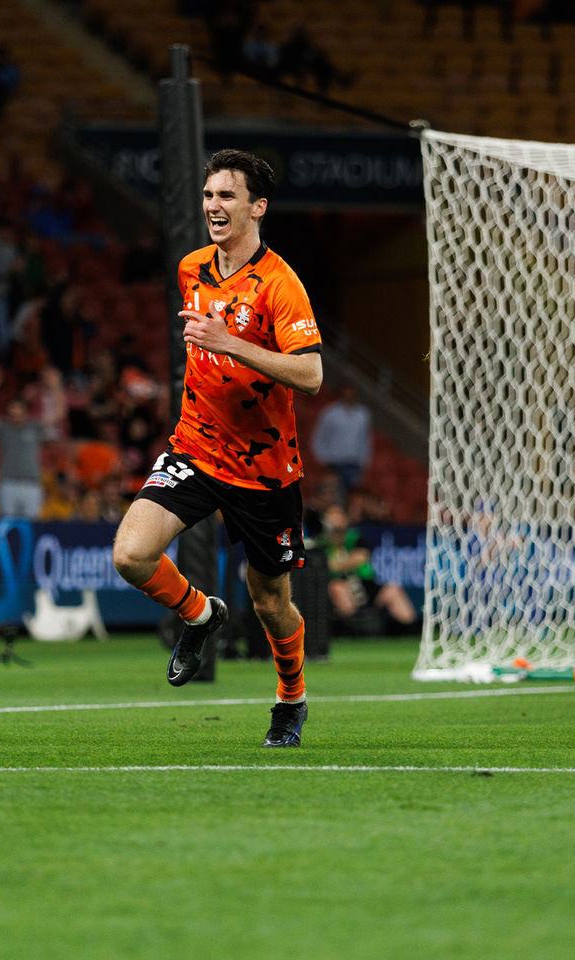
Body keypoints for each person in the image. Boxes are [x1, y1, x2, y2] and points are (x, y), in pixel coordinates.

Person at [111, 149, 324, 748]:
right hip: (196, 449)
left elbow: (310, 376)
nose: (213, 206)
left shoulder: (281, 285)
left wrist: (232, 344)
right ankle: (201, 614)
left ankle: (290, 700)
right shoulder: (191, 268)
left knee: (271, 602)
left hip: (264, 471)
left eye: (227, 196)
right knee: (130, 555)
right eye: (208, 195)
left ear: (258, 207)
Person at [0, 365, 65, 519]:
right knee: (8, 523)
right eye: (12, 414)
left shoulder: (34, 427)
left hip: (31, 484)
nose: (15, 418)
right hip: (8, 483)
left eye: (19, 414)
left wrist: (56, 387)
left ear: (25, 414)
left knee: (31, 525)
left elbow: (59, 413)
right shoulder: (4, 428)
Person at [318, 501, 417, 634]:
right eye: (333, 522)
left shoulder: (356, 538)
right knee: (337, 587)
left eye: (339, 521)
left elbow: (361, 557)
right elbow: (325, 567)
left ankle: (410, 631)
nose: (337, 526)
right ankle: (354, 629)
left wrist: (337, 564)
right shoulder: (320, 544)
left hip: (366, 586)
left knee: (393, 589)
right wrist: (343, 563)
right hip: (341, 589)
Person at [311, 381, 372, 498]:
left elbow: (365, 440)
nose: (349, 396)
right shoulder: (330, 413)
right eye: (346, 393)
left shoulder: (363, 414)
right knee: (335, 497)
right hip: (334, 464)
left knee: (352, 497)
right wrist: (323, 458)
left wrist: (364, 461)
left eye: (351, 393)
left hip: (354, 464)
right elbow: (319, 437)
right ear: (341, 394)